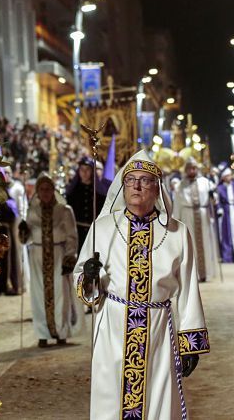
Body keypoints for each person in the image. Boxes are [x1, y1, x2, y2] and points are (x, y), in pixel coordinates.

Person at [75, 150, 208, 419]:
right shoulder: (102, 228)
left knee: (158, 402)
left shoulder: (177, 232)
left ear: (157, 189)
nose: (136, 186)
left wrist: (189, 342)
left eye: (145, 180)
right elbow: (83, 282)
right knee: (111, 400)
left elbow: (188, 292)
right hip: (113, 329)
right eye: (130, 180)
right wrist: (88, 277)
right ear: (122, 186)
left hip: (159, 332)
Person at [19, 175, 78, 346]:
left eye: (48, 189)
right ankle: (42, 333)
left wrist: (70, 256)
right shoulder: (32, 211)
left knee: (61, 294)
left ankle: (61, 332)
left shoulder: (64, 210)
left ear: (54, 190)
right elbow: (26, 238)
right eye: (41, 189)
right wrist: (22, 231)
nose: (45, 193)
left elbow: (72, 236)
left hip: (58, 255)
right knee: (38, 295)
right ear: (37, 192)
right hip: (37, 257)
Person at [175, 158, 218, 282]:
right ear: (186, 170)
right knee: (190, 244)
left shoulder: (206, 183)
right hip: (187, 216)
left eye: (194, 168)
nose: (192, 170)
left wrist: (213, 197)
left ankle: (206, 273)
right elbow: (177, 203)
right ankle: (193, 274)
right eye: (189, 168)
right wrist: (176, 220)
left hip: (203, 215)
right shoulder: (180, 185)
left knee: (205, 243)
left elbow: (214, 199)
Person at [64, 157, 108, 251]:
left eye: (87, 169)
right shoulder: (72, 192)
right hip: (77, 233)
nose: (84, 172)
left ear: (92, 171)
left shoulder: (100, 192)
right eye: (82, 169)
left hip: (94, 233)